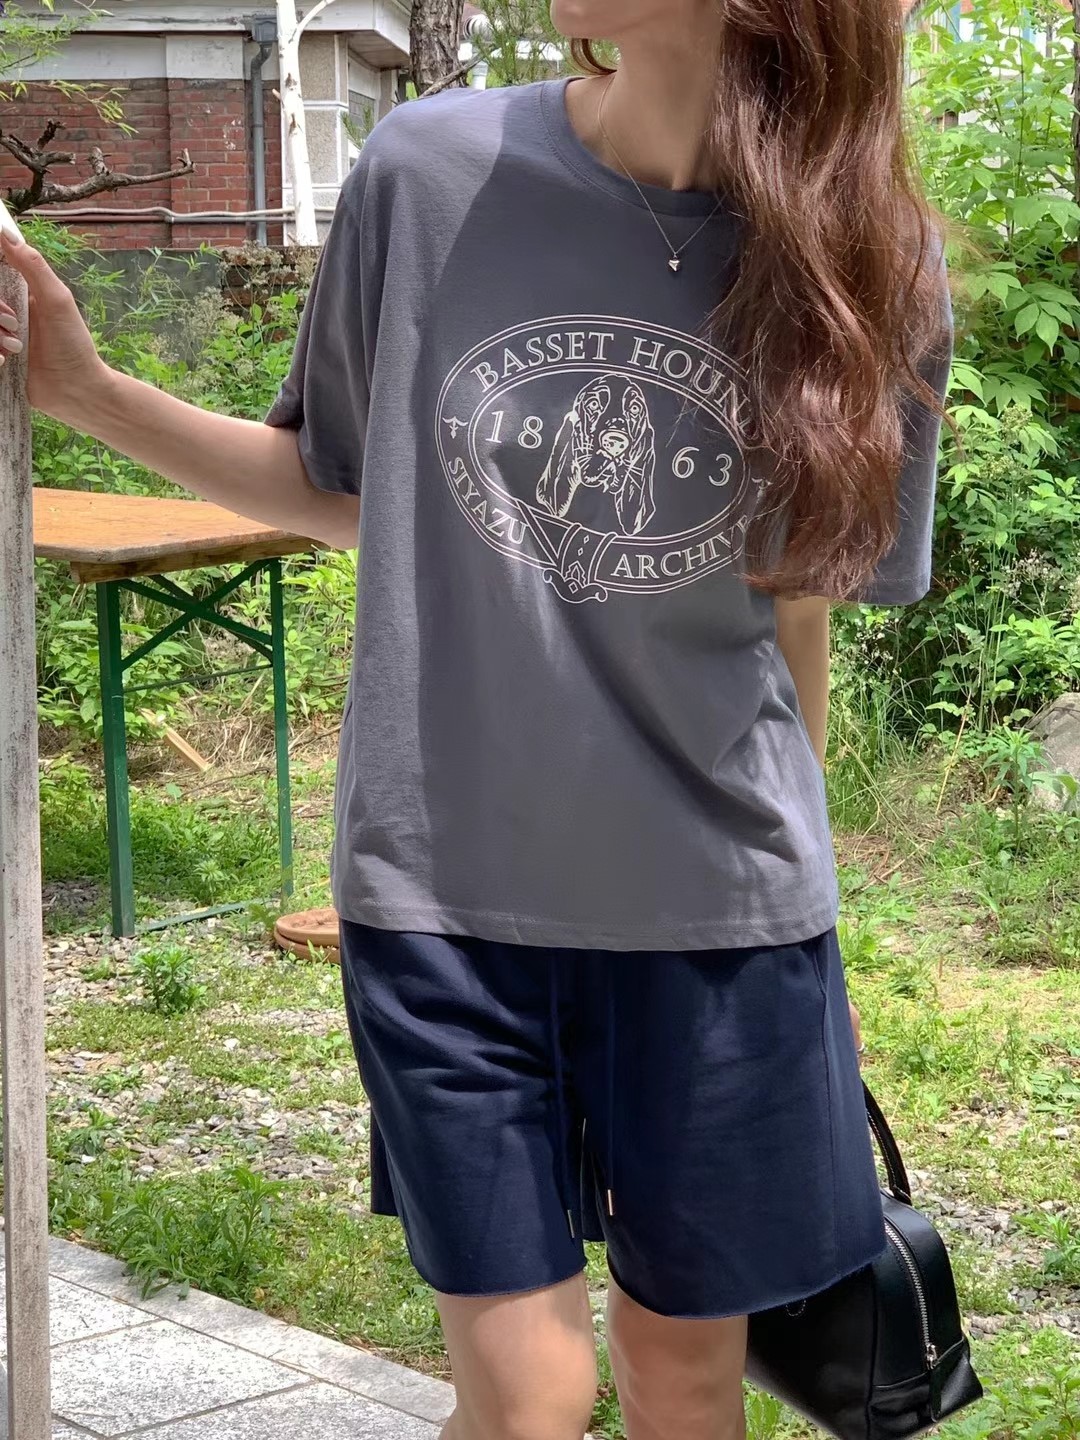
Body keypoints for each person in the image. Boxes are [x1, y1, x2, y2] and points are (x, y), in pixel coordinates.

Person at [0, 1, 953, 1435]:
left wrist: (792, 912)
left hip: (720, 921)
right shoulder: (429, 169)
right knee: (527, 1399)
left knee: (685, 1379)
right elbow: (344, 489)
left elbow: (798, 604)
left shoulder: (870, 257)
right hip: (447, 896)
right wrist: (85, 391)